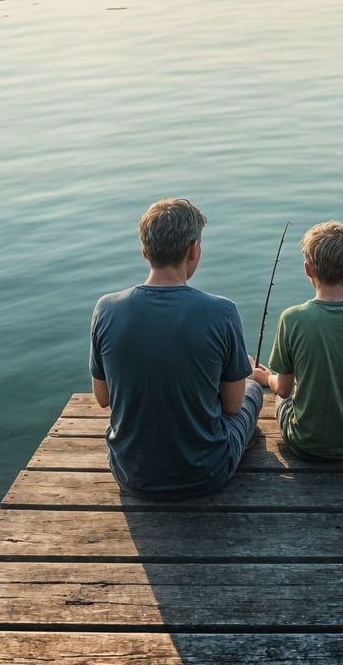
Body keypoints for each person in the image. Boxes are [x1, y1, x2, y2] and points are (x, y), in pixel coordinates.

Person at [88, 198, 271, 500]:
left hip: (131, 474)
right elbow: (232, 406)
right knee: (250, 390)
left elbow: (103, 398)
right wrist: (245, 375)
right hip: (207, 474)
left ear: (144, 251)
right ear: (194, 250)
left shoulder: (106, 309)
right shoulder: (222, 311)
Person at [263, 221, 343, 460]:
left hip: (305, 443)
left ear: (308, 269)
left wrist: (265, 377)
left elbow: (282, 389)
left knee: (283, 399)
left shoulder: (292, 318)